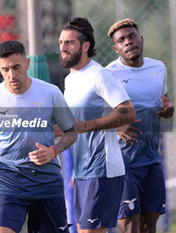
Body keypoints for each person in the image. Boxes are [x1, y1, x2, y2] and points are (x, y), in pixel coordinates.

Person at [0, 40, 78, 233]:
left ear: (27, 63)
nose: (11, 75)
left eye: (16, 67)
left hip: (47, 183)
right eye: (5, 69)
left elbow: (71, 132)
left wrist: (53, 151)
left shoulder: (51, 93)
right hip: (9, 183)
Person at [58, 17, 137, 233]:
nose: (63, 48)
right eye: (61, 43)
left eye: (69, 43)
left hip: (103, 170)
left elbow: (127, 111)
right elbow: (72, 125)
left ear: (85, 46)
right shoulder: (70, 80)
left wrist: (86, 125)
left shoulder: (100, 75)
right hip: (82, 171)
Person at [106, 18, 174, 233]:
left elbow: (163, 99)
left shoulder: (158, 68)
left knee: (149, 224)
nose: (128, 42)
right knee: (129, 227)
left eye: (132, 36)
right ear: (116, 48)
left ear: (141, 40)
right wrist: (115, 126)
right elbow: (92, 113)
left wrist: (169, 109)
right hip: (123, 163)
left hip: (152, 157)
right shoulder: (109, 74)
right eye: (122, 40)